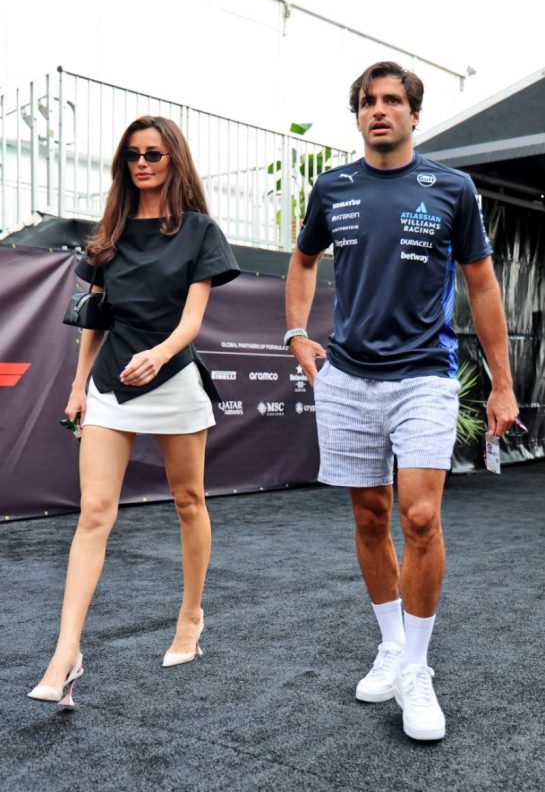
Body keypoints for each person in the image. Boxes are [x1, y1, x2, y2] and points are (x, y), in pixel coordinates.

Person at [284, 62, 518, 741]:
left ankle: (416, 669)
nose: (378, 111)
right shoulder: (332, 187)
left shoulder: (451, 188)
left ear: (414, 115)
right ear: (356, 115)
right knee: (368, 515)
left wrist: (501, 382)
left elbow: (481, 286)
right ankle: (390, 645)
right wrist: (297, 333)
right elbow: (302, 261)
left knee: (418, 517)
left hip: (424, 375)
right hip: (348, 378)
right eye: (367, 102)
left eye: (392, 101)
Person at [28, 116, 240, 706]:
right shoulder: (109, 233)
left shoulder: (200, 231)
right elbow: (92, 320)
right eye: (132, 155)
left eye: (153, 153)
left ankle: (191, 618)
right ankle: (66, 651)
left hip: (173, 377)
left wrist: (161, 354)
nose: (142, 162)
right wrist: (77, 387)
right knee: (94, 511)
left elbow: (193, 321)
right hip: (110, 384)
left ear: (174, 159)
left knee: (188, 501)